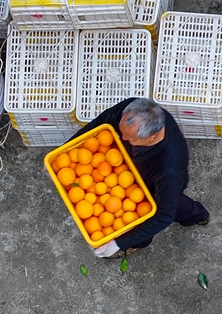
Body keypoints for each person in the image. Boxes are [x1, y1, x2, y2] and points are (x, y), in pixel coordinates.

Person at [74, 98, 209, 258]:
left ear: (151, 137)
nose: (123, 138)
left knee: (161, 210)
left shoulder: (169, 169)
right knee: (145, 211)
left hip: (154, 187)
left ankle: (198, 216)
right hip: (126, 177)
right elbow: (102, 121)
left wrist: (119, 243)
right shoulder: (133, 111)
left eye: (130, 137)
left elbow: (164, 217)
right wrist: (65, 149)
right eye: (122, 131)